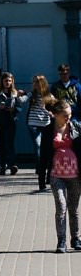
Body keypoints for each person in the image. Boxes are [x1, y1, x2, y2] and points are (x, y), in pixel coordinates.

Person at [41, 101, 81, 252]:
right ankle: (61, 241)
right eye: (65, 115)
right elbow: (43, 155)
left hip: (75, 175)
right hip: (56, 175)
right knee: (61, 207)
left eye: (70, 114)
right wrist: (41, 179)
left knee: (74, 209)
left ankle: (76, 239)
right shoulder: (48, 130)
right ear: (56, 114)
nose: (68, 118)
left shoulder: (76, 127)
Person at [27, 75, 56, 191]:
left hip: (47, 126)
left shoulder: (48, 96)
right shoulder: (32, 94)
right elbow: (22, 99)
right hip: (34, 124)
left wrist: (51, 113)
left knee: (50, 153)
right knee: (39, 148)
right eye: (34, 82)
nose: (36, 84)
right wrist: (17, 95)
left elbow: (56, 107)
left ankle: (49, 177)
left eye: (38, 82)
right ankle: (41, 180)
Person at [0, 72, 22, 176]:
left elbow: (19, 106)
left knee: (10, 143)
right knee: (0, 144)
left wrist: (14, 109)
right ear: (2, 81)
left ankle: (12, 164)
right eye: (6, 81)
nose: (8, 83)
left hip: (11, 120)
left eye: (9, 81)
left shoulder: (14, 93)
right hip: (0, 121)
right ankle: (2, 165)